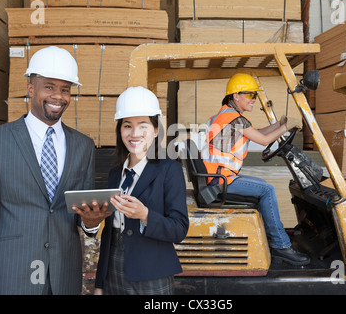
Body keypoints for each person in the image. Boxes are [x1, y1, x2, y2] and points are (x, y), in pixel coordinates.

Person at [0, 46, 111, 295]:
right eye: (49, 87)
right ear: (30, 88)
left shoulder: (83, 146)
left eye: (65, 89)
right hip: (12, 277)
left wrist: (90, 224)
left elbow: (80, 214)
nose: (58, 96)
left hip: (63, 279)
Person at [201, 73, 310, 266]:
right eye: (250, 95)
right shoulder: (234, 119)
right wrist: (286, 128)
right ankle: (281, 246)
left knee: (262, 185)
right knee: (267, 190)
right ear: (236, 96)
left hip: (218, 178)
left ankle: (267, 238)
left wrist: (281, 123)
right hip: (222, 181)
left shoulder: (224, 115)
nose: (253, 100)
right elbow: (263, 140)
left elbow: (258, 133)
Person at [94, 86, 189, 295]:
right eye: (127, 126)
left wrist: (145, 215)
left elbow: (179, 229)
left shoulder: (169, 170)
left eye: (143, 126)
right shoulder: (115, 173)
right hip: (114, 270)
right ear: (120, 130)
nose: (134, 134)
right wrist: (100, 283)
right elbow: (108, 234)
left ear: (156, 130)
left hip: (151, 272)